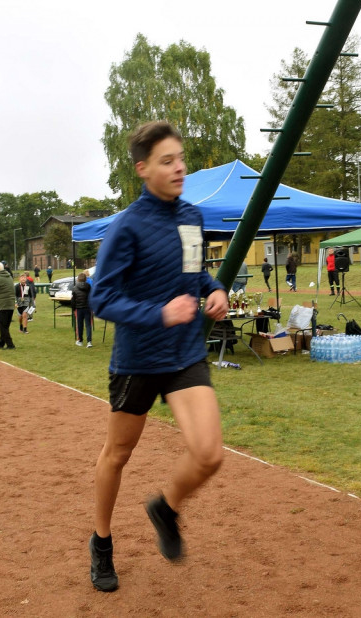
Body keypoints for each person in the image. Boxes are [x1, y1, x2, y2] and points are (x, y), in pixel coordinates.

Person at [87, 121, 228, 593]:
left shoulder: (191, 216)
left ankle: (165, 508)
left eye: (181, 158)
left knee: (209, 454)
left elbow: (195, 272)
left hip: (185, 353)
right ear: (143, 169)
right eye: (168, 161)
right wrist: (158, 313)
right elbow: (101, 299)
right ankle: (101, 543)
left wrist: (214, 288)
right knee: (118, 454)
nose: (180, 167)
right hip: (137, 359)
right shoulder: (126, 225)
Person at [73, 271, 93, 348]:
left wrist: (73, 307)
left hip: (79, 308)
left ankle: (80, 340)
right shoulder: (89, 287)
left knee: (80, 325)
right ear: (85, 279)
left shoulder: (75, 288)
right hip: (87, 307)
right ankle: (89, 341)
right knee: (88, 325)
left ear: (78, 279)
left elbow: (73, 299)